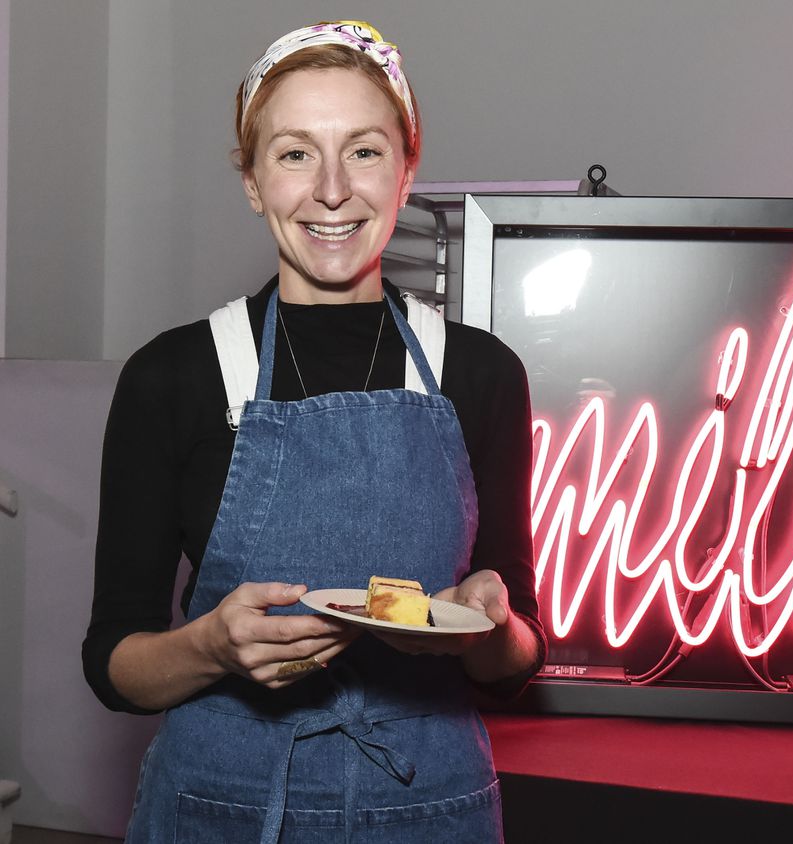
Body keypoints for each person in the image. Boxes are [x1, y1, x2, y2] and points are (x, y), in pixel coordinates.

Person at [82, 20, 544, 842]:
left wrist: (491, 625)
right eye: (295, 153)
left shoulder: (481, 374)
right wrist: (212, 649)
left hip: (429, 809)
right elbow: (116, 664)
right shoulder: (172, 378)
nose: (332, 188)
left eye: (364, 151)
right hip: (219, 811)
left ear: (407, 171)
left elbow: (515, 660)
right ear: (254, 180)